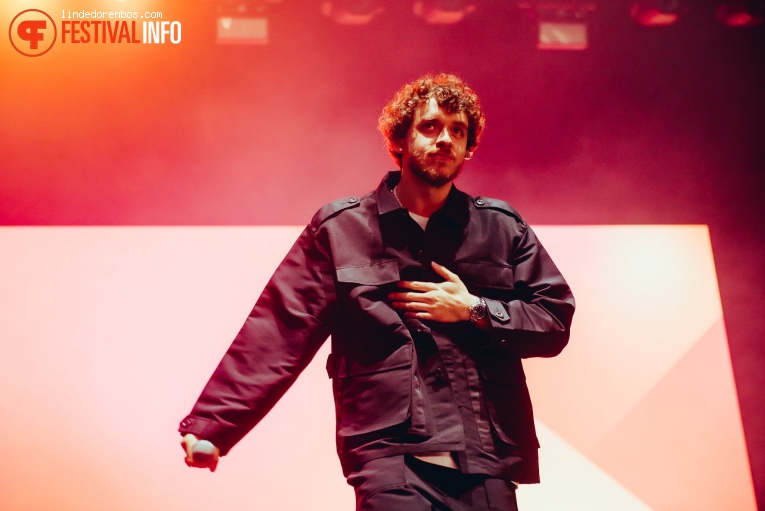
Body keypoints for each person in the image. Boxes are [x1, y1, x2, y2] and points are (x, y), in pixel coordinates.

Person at [179, 73, 575, 511]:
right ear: (400, 138)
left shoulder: (501, 227)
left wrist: (475, 310)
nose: (445, 139)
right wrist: (214, 425)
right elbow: (280, 327)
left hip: (485, 457)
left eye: (457, 131)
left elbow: (554, 320)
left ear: (468, 147)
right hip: (389, 456)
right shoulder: (342, 228)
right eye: (430, 127)